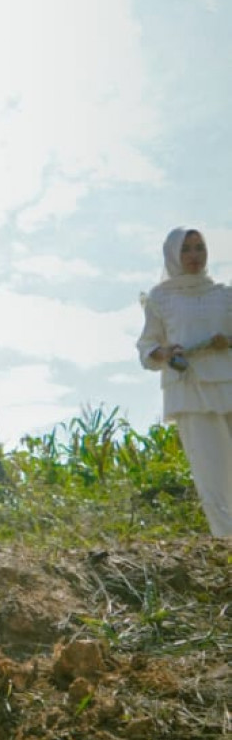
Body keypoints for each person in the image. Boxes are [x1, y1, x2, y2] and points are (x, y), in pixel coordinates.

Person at [138, 226, 232, 537]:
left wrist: (227, 341)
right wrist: (165, 352)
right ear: (173, 255)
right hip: (190, 390)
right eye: (186, 249)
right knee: (211, 470)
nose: (194, 255)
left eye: (199, 247)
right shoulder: (160, 298)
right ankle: (226, 540)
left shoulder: (224, 295)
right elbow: (147, 347)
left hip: (228, 382)